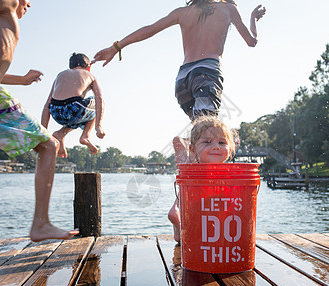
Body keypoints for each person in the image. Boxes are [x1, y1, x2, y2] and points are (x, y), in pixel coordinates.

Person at [0, 0, 78, 242]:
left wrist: (23, 80)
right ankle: (41, 224)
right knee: (49, 146)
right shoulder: (9, 2)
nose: (30, 5)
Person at [93, 0, 266, 120]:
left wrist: (116, 48)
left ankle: (189, 157)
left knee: (200, 131)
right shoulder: (228, 9)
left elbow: (150, 30)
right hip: (206, 73)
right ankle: (188, 154)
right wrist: (253, 19)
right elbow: (252, 41)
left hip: (183, 80)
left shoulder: (182, 13)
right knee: (206, 129)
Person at [168, 116, 238, 242]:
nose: (216, 147)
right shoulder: (230, 173)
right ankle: (178, 213)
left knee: (187, 170)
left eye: (222, 143)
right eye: (208, 142)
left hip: (202, 206)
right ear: (193, 149)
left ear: (231, 149)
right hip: (197, 207)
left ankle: (176, 210)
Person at [41, 53, 106, 158]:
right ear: (89, 67)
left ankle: (60, 134)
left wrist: (43, 131)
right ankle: (85, 136)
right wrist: (98, 126)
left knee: (78, 116)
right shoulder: (90, 76)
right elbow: (100, 99)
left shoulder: (60, 75)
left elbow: (47, 104)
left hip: (56, 112)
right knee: (93, 103)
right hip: (74, 108)